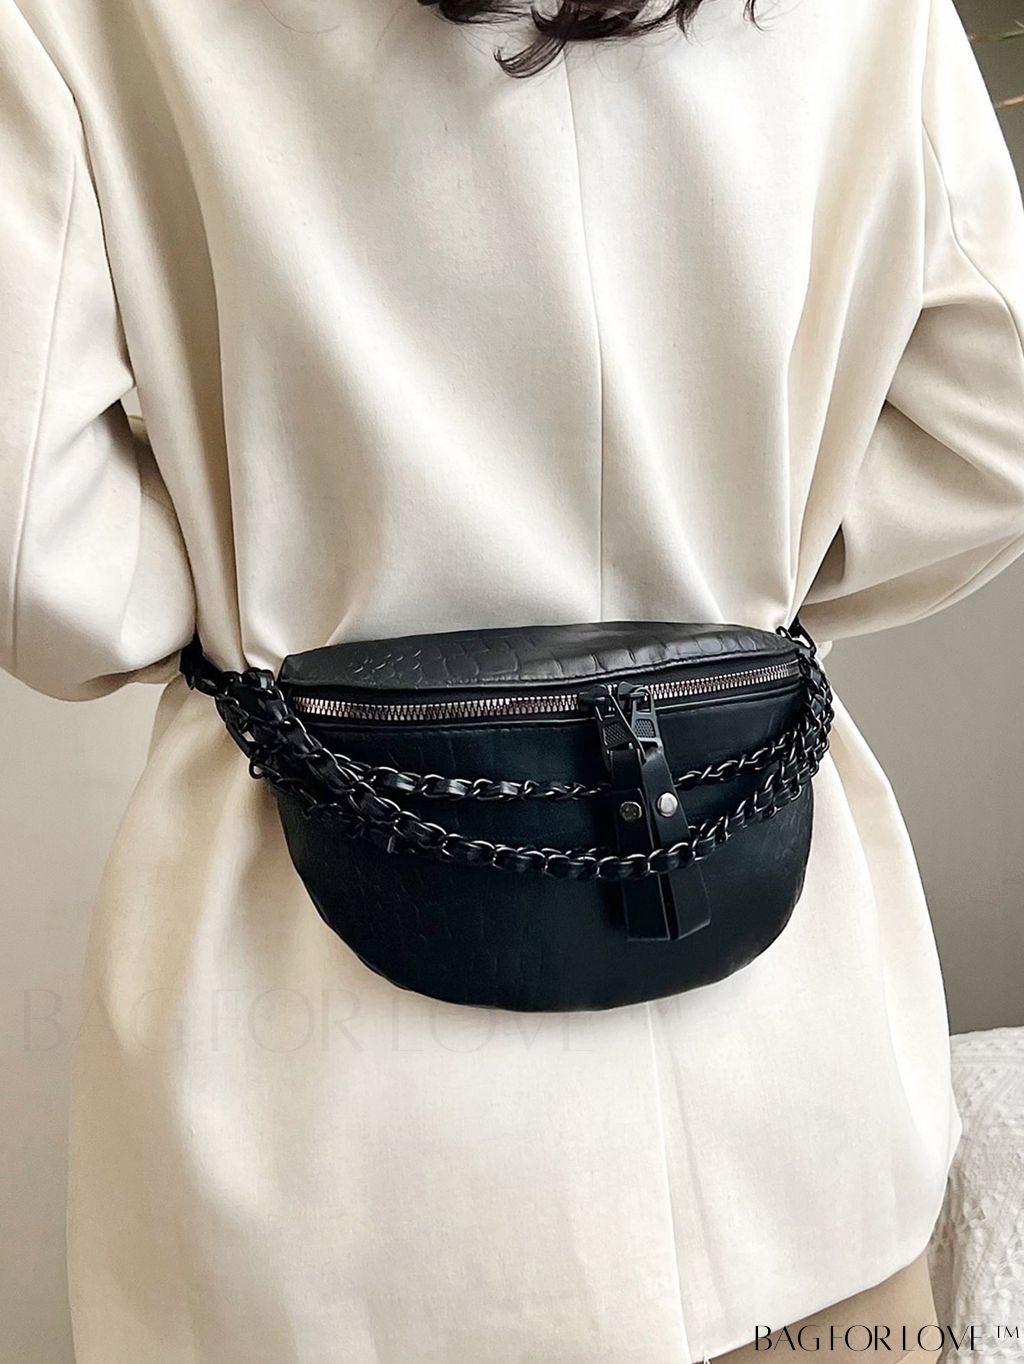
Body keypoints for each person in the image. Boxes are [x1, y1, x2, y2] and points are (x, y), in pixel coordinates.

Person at [2, 0, 1022, 1359]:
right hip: (794, 1108)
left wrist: (254, 618)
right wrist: (738, 609)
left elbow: (28, 540)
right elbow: (994, 417)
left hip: (330, 1150)